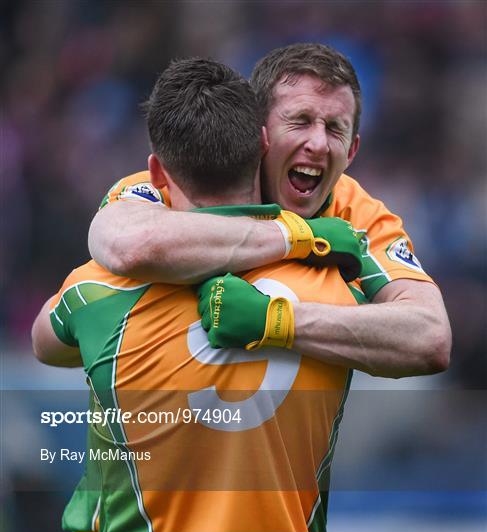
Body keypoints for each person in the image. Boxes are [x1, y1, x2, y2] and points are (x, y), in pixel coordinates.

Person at [32, 58, 367, 532]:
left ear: (156, 173)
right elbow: (421, 344)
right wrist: (293, 273)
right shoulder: (337, 287)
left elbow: (44, 342)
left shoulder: (95, 291)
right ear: (264, 148)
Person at [88, 43, 451, 377]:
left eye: (335, 129)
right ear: (260, 132)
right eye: (301, 120)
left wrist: (277, 321)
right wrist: (300, 237)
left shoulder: (355, 212)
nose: (319, 144)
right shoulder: (186, 177)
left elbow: (430, 338)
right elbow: (128, 245)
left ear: (352, 151)